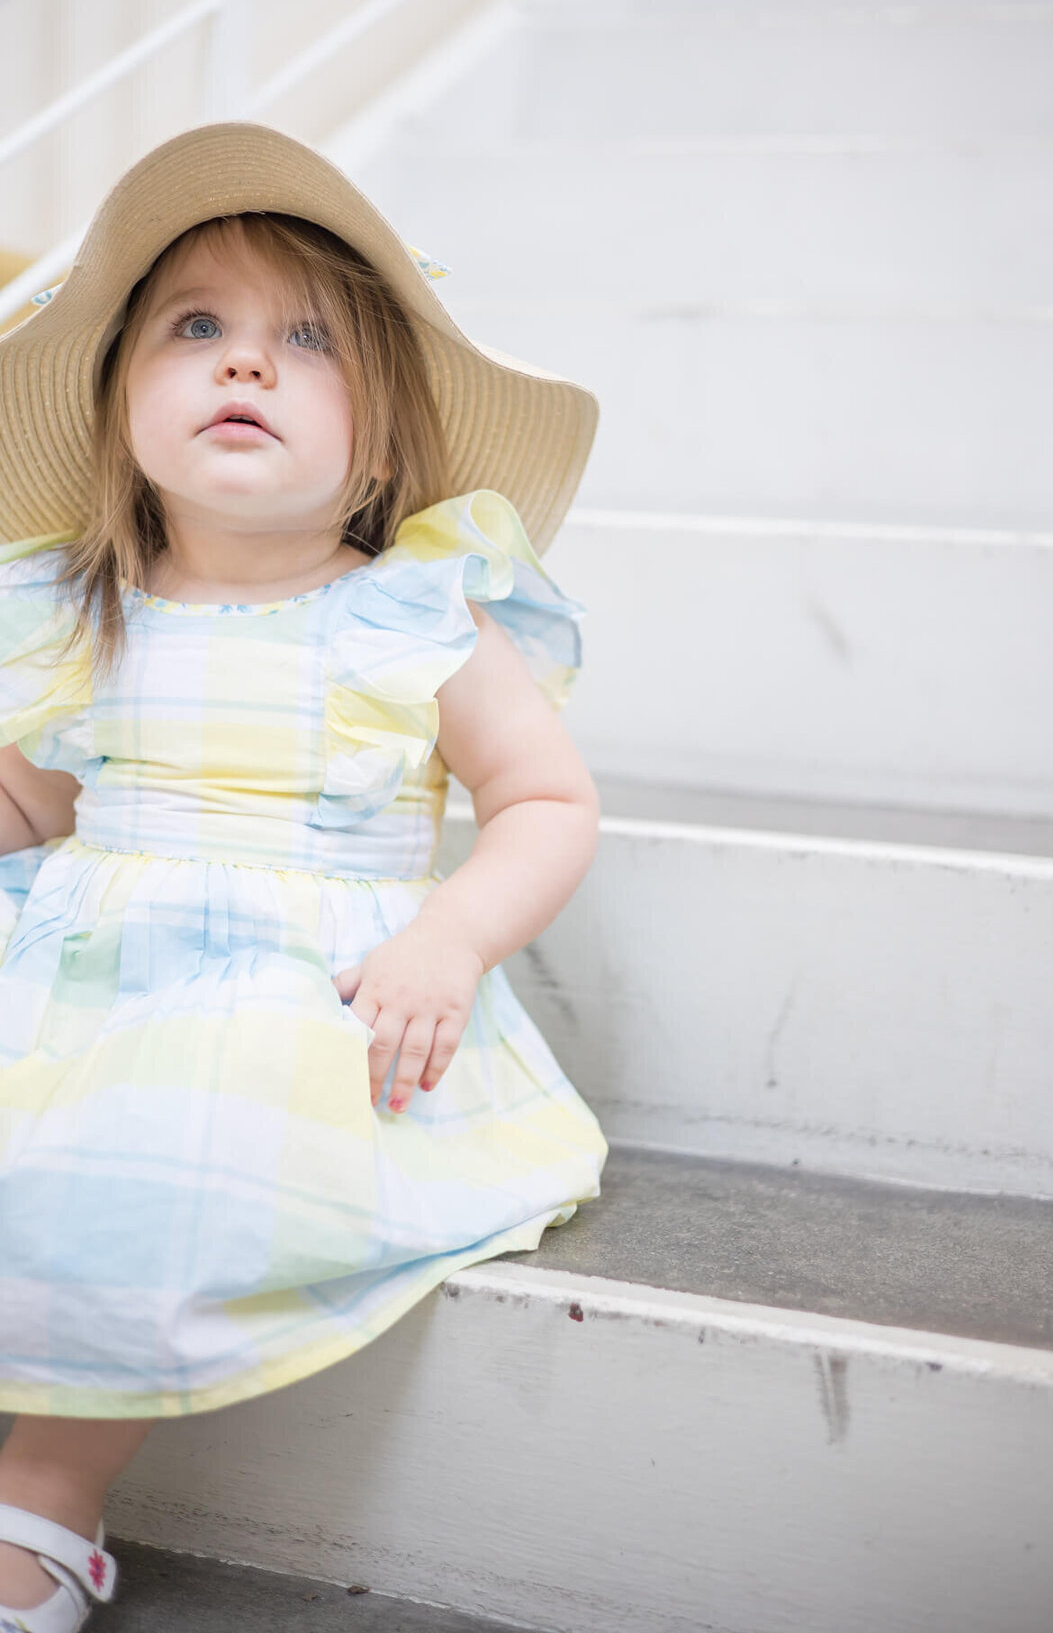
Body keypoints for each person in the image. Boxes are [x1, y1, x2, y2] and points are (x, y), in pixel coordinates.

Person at [0, 122, 609, 1631]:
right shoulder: (77, 614)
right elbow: (39, 808)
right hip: (84, 963)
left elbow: (542, 798)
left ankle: (46, 1507)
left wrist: (451, 940)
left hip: (301, 988)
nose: (244, 364)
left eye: (303, 339)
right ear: (118, 407)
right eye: (194, 328)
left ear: (382, 449)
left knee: (152, 1162)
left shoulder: (412, 616)